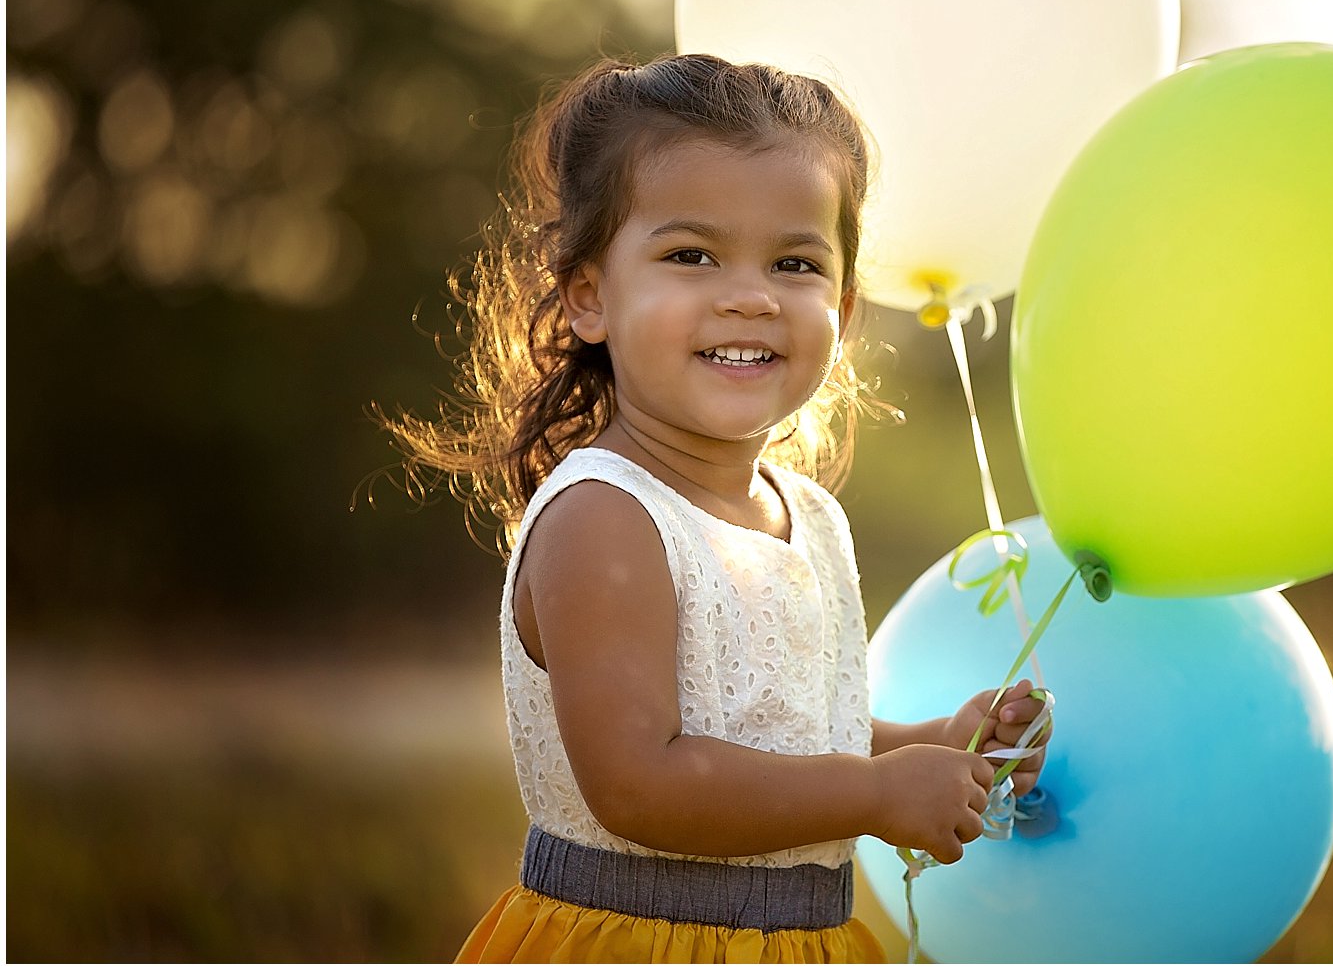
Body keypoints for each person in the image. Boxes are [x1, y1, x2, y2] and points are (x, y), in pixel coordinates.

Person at [391, 54, 1052, 963]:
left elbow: (782, 729)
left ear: (845, 308)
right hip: (642, 944)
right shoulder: (605, 518)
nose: (750, 295)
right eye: (690, 255)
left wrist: (933, 745)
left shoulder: (812, 518)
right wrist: (875, 794)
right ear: (591, 295)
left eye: (795, 262)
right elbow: (641, 784)